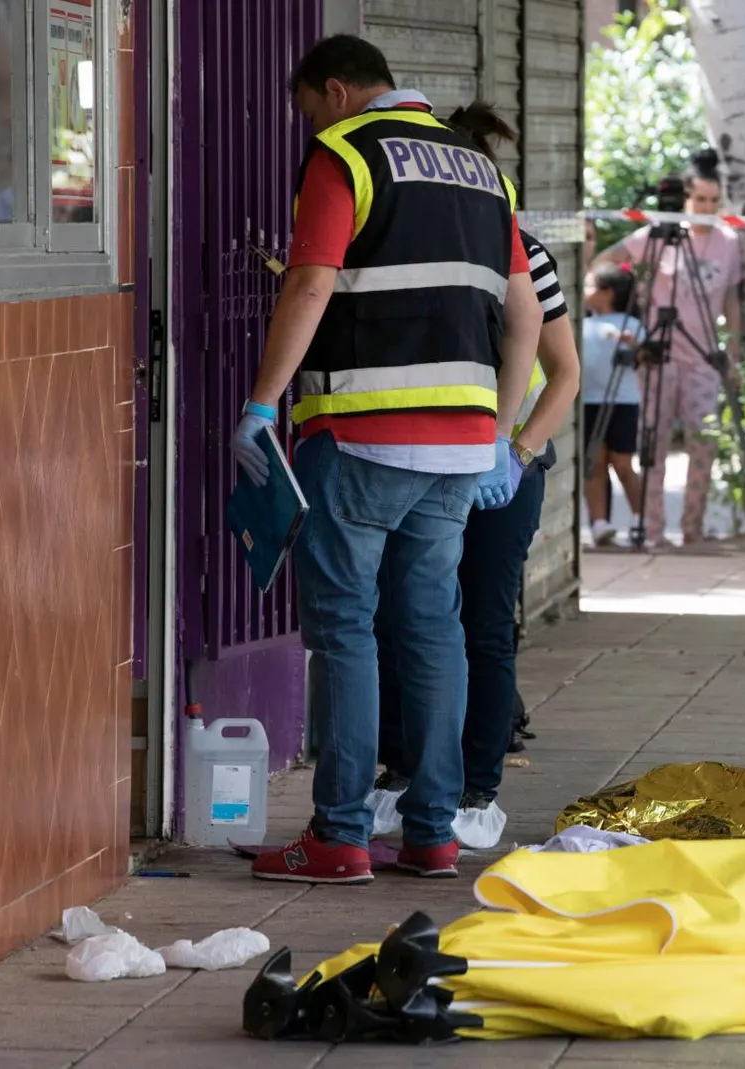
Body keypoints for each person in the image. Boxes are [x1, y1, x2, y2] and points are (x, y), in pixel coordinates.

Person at [239, 36, 551, 883]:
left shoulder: (346, 154)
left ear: (336, 91)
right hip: (459, 446)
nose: (310, 122)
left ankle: (339, 832)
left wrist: (263, 401)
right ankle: (432, 831)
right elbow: (524, 315)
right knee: (432, 628)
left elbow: (309, 285)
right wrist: (501, 426)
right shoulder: (484, 173)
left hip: (362, 433)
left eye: (309, 108)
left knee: (344, 629)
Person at [368, 102, 582, 851]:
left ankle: (475, 787)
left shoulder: (522, 251)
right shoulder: (412, 245)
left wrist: (516, 454)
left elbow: (566, 375)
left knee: (483, 624)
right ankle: (402, 771)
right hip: (426, 456)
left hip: (499, 471)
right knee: (405, 614)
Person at [589, 151, 743, 550]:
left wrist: (735, 353)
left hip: (703, 356)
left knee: (703, 444)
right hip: (657, 353)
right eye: (699, 201)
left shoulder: (728, 241)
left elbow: (731, 301)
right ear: (686, 198)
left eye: (713, 201)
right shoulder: (658, 232)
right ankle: (653, 531)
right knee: (652, 445)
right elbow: (609, 258)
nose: (705, 209)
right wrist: (629, 292)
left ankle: (692, 529)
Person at [580, 262, 647, 547]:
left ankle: (640, 520)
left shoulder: (631, 325)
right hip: (589, 401)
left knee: (622, 464)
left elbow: (645, 359)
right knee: (594, 463)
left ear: (607, 293)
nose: (585, 292)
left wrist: (635, 347)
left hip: (622, 402)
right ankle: (599, 524)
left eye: (590, 286)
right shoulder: (582, 324)